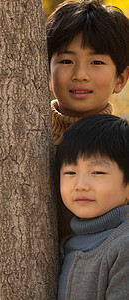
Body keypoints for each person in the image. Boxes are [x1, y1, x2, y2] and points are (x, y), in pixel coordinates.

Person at [45, 0, 129, 239]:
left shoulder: (121, 149)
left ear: (121, 79)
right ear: (47, 74)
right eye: (66, 61)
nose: (80, 74)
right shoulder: (24, 135)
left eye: (97, 62)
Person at [55, 114, 129, 300]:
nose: (81, 185)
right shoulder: (66, 244)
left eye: (97, 172)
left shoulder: (123, 246)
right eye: (70, 172)